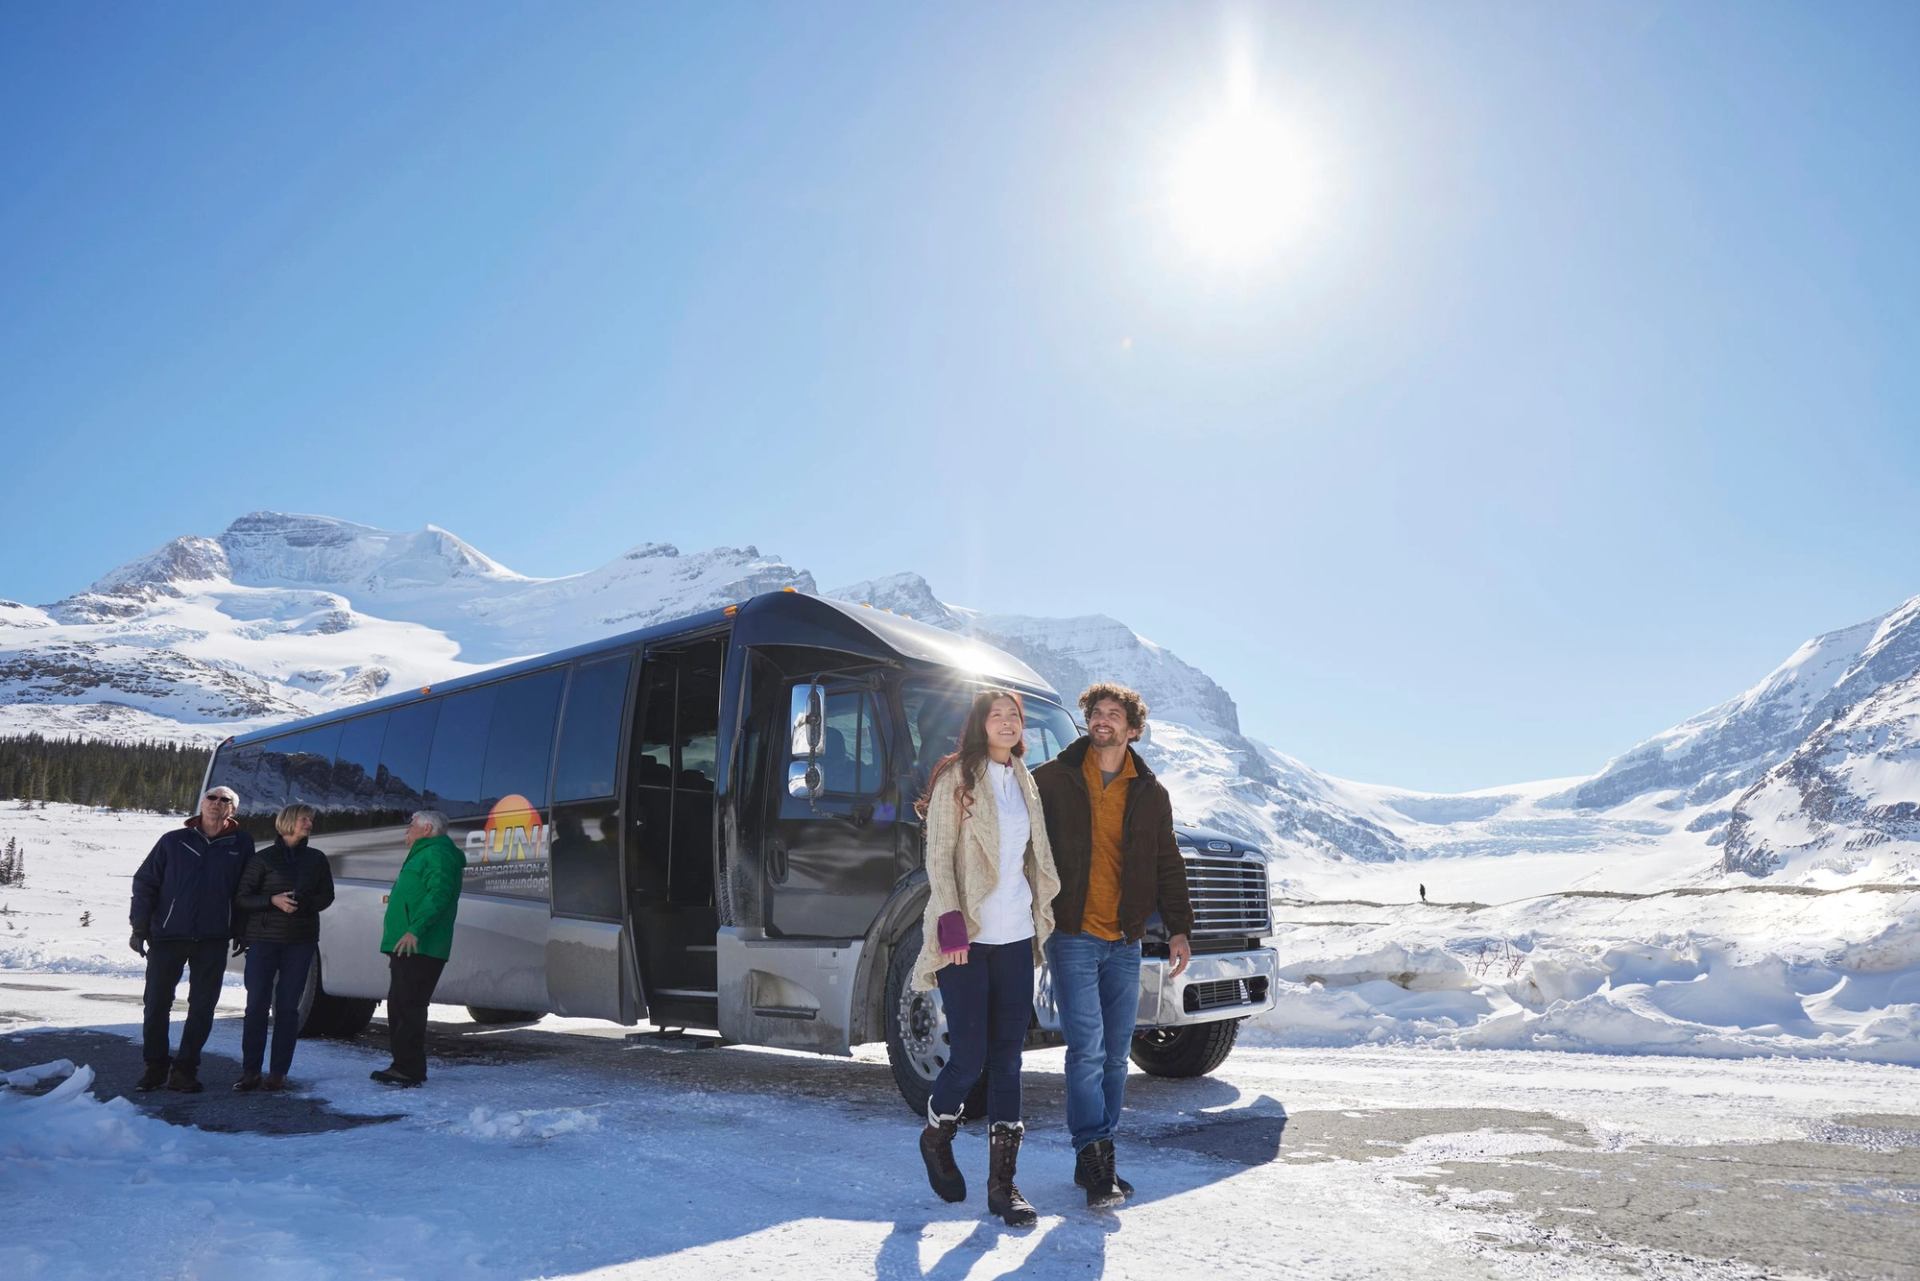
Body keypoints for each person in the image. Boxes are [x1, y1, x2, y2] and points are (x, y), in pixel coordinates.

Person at [1032, 682, 1193, 1208]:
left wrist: (1179, 927)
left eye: (1114, 715)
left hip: (1124, 939)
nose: (1103, 720)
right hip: (1072, 933)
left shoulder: (1150, 793)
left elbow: (1168, 863)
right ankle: (1093, 1157)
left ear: (1133, 729)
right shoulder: (1052, 780)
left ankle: (1100, 1155)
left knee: (1117, 1056)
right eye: (1096, 713)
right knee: (1087, 1050)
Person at [911, 689, 1061, 1228]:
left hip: (1016, 934)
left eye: (1014, 716)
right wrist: (950, 921)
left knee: (1009, 1057)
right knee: (969, 1056)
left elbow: (1032, 854)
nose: (1007, 722)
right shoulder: (960, 776)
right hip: (968, 936)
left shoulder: (1025, 780)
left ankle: (1003, 1187)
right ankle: (936, 1136)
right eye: (996, 715)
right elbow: (938, 854)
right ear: (980, 725)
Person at [128, 785, 256, 1092]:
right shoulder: (174, 841)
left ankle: (185, 1070)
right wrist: (139, 927)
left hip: (212, 938)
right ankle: (155, 1066)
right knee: (156, 1003)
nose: (216, 803)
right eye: (211, 798)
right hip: (168, 936)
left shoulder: (241, 844)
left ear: (232, 810)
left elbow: (245, 891)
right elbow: (145, 882)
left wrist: (241, 929)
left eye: (225, 800)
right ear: (202, 804)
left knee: (203, 1006)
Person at [232, 802, 336, 1092]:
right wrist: (272, 901)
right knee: (256, 1006)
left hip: (300, 942)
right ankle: (250, 1071)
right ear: (289, 821)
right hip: (264, 942)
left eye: (311, 820)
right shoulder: (262, 859)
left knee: (288, 1009)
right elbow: (242, 898)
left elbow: (326, 896)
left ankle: (278, 1073)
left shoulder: (316, 859)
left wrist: (304, 905)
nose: (309, 824)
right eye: (305, 819)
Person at [372, 810, 466, 1087]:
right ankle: (404, 1065)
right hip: (410, 944)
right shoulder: (427, 851)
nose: (406, 830)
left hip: (420, 945)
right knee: (402, 1005)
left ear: (427, 829)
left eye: (411, 825)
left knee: (408, 1006)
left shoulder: (437, 853)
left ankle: (408, 1069)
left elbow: (439, 894)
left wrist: (415, 929)